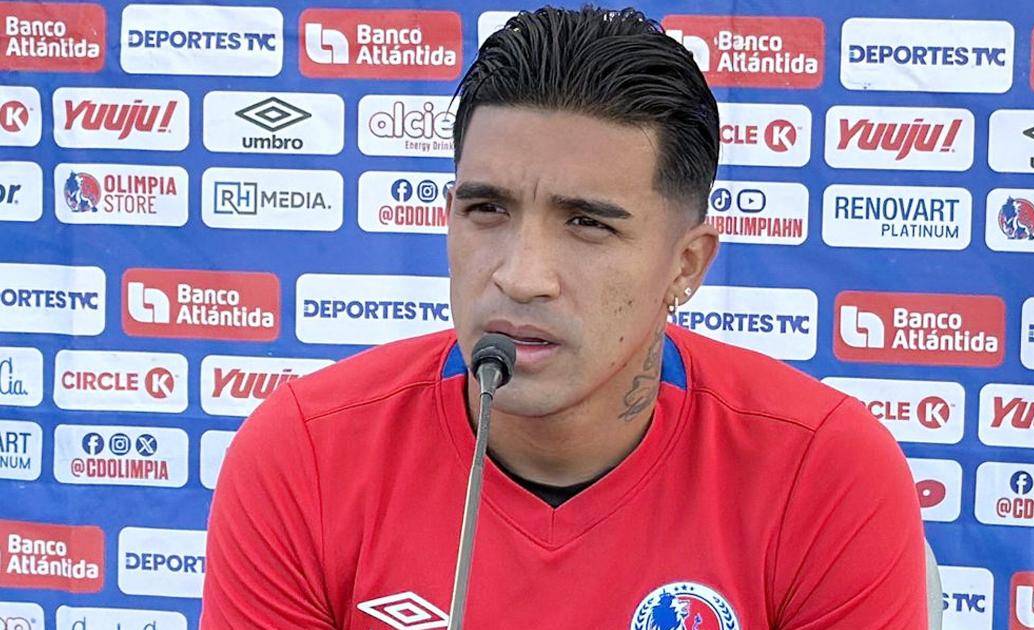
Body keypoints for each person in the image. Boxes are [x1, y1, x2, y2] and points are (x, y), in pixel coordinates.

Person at [200, 6, 926, 629]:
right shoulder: (305, 455)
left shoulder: (823, 470)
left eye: (586, 223)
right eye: (487, 209)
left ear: (686, 265)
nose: (520, 276)